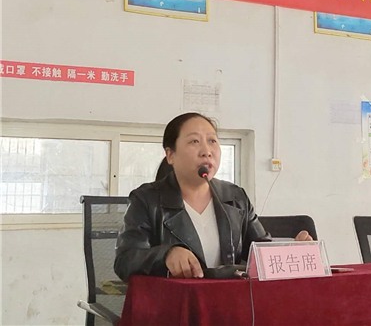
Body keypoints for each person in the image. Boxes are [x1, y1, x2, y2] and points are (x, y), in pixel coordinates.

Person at [114, 113, 312, 282]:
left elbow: (261, 254)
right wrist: (165, 255)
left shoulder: (236, 197)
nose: (206, 152)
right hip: (174, 307)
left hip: (228, 304)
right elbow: (125, 260)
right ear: (170, 155)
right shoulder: (146, 200)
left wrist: (293, 252)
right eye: (194, 141)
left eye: (212, 141)